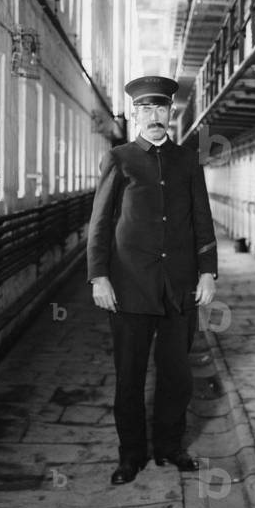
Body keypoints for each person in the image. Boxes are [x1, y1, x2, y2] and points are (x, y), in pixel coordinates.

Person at [87, 75, 218, 485]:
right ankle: (131, 456)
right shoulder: (121, 158)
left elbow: (202, 219)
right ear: (134, 116)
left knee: (177, 375)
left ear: (170, 114)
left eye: (161, 109)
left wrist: (208, 272)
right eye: (145, 110)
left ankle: (170, 447)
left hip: (178, 289)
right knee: (129, 376)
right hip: (129, 289)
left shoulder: (187, 161)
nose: (154, 117)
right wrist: (99, 278)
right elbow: (100, 224)